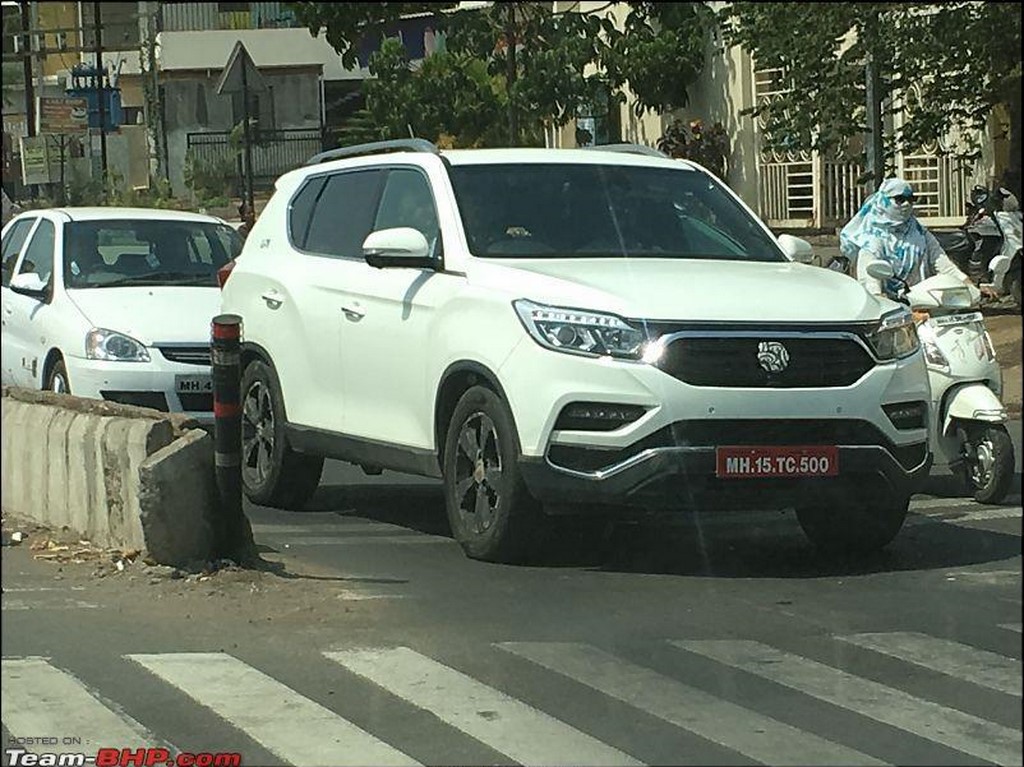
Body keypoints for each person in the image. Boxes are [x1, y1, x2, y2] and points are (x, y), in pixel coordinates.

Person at [840, 177, 982, 303]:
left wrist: (967, 284)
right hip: (889, 309)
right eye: (900, 200)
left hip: (923, 302)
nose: (906, 204)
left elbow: (942, 262)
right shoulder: (873, 239)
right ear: (883, 201)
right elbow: (870, 280)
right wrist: (878, 298)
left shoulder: (919, 232)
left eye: (911, 200)